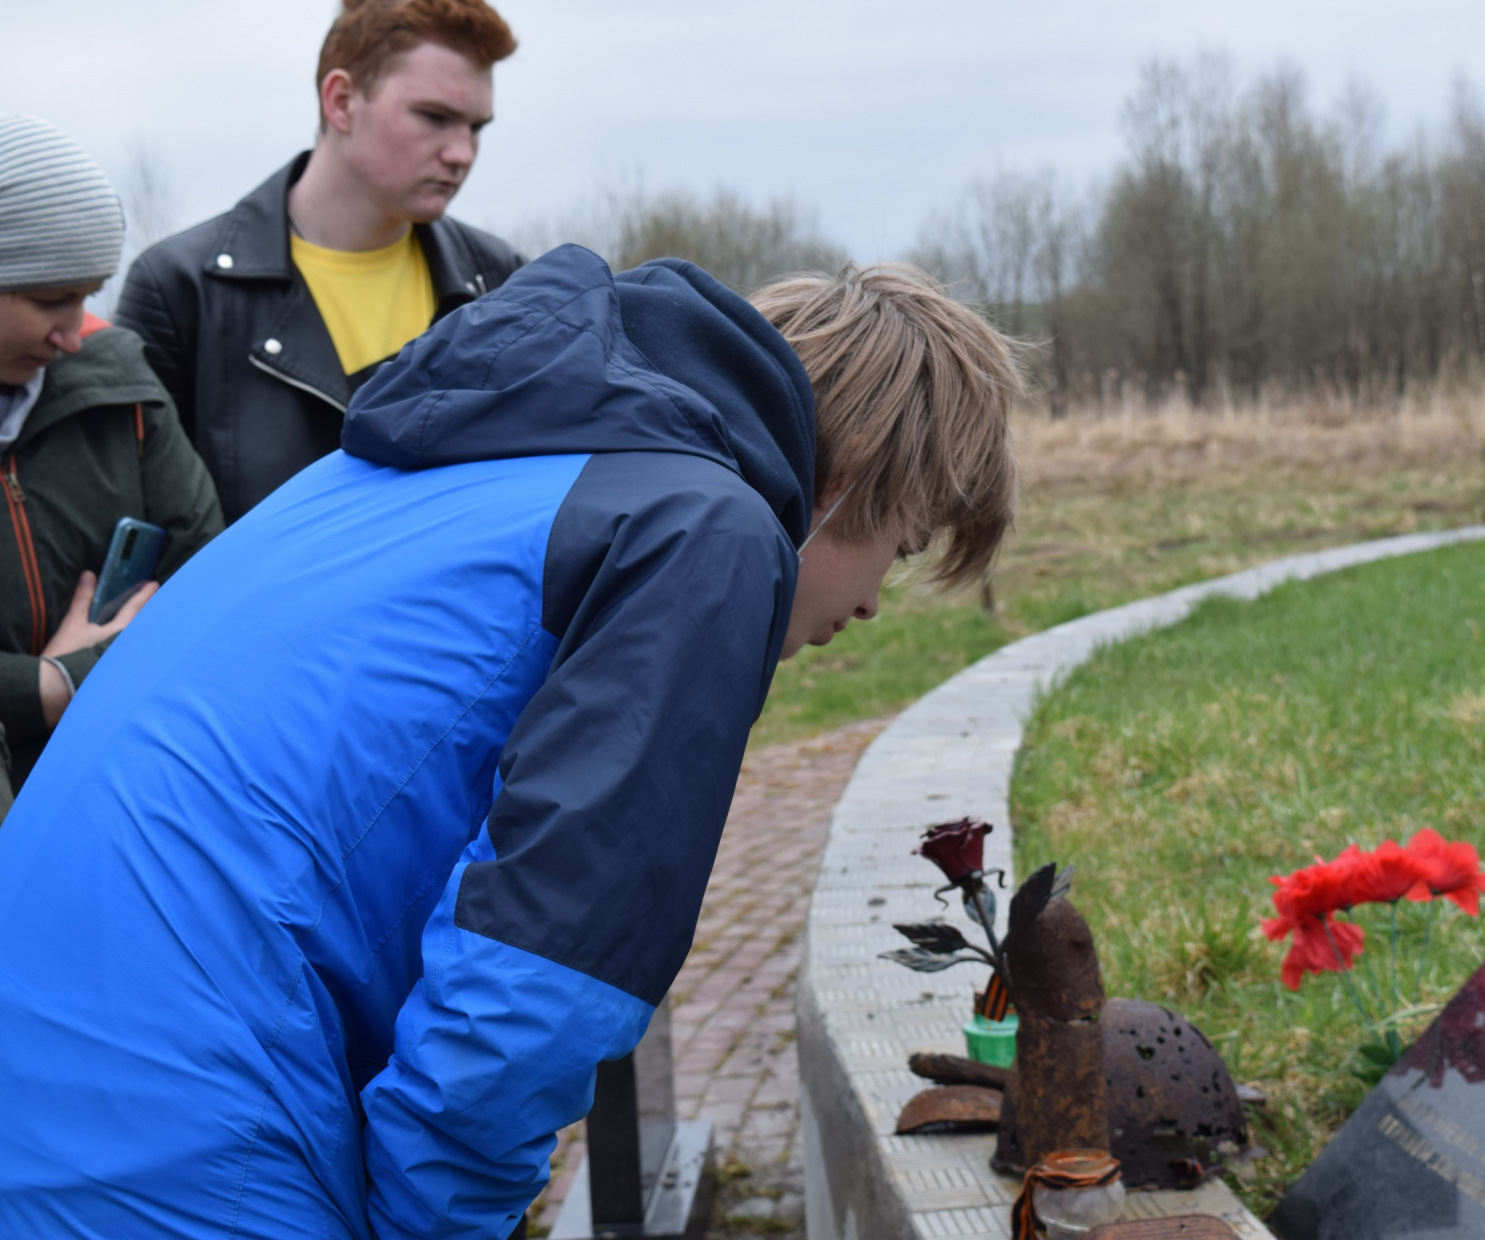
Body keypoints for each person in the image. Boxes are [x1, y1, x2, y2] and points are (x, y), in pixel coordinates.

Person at [0, 243, 1021, 1238]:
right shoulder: (707, 531)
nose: (879, 598)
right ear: (856, 479)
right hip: (186, 1111)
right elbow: (536, 981)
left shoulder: (477, 450)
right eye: (905, 544)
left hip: (54, 1043)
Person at [116, 0, 525, 522]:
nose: (462, 152)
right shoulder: (179, 289)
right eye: (435, 117)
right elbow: (148, 533)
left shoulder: (504, 283)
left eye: (476, 128)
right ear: (341, 100)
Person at [0, 115, 222, 801]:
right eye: (50, 299)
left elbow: (209, 586)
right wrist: (39, 687)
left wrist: (71, 681)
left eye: (88, 294)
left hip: (110, 797)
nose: (74, 333)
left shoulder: (123, 393)